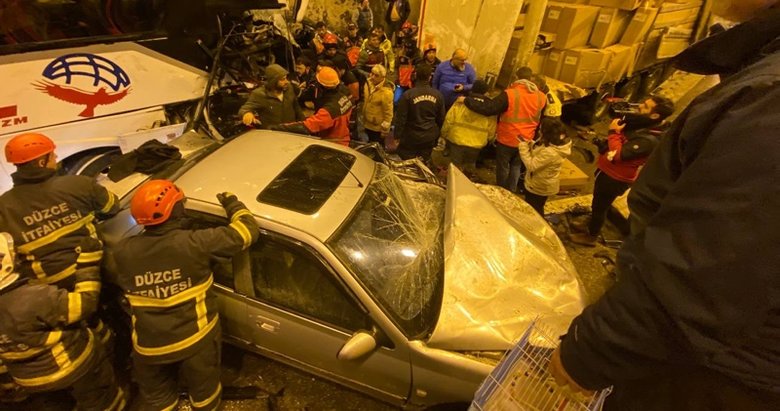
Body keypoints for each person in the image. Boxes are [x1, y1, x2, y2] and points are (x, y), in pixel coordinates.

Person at [549, 1, 780, 409]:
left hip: (709, 374)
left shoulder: (768, 96)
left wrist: (592, 349)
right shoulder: (759, 75)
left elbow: (710, 264)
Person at [109, 180, 259, 411]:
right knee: (204, 394)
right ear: (176, 210)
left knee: (158, 399)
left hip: (149, 346)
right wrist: (233, 203)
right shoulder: (196, 243)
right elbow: (247, 231)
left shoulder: (123, 251)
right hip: (195, 341)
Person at [0, 133, 124, 409]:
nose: (56, 159)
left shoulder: (4, 207)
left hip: (45, 297)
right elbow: (111, 206)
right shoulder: (79, 185)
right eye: (53, 155)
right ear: (43, 160)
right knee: (100, 340)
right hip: (94, 280)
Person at [569, 95, 674, 246]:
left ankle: (591, 235)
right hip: (609, 172)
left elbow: (617, 155)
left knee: (600, 206)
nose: (639, 107)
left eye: (645, 107)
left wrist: (613, 133)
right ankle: (591, 223)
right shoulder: (644, 124)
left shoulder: (648, 140)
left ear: (655, 115)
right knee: (597, 203)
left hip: (614, 178)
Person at [464, 67, 546, 193]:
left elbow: (489, 108)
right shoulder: (541, 97)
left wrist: (467, 101)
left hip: (508, 137)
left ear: (516, 77)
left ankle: (502, 190)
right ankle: (511, 191)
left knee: (503, 166)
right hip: (527, 139)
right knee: (516, 165)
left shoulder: (510, 93)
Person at [270, 67, 355, 146]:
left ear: (321, 86)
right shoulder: (344, 96)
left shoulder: (328, 111)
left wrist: (277, 127)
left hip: (333, 145)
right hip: (344, 138)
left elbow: (307, 127)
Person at [440, 79, 496, 179]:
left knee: (454, 168)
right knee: (469, 167)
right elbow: (491, 128)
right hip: (477, 143)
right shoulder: (490, 108)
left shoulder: (460, 103)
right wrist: (489, 139)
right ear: (485, 92)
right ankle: (465, 188)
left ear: (473, 90)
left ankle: (451, 187)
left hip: (457, 139)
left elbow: (449, 120)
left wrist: (444, 134)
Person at [517, 117, 571, 216]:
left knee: (535, 210)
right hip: (540, 183)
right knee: (535, 207)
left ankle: (537, 228)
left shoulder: (551, 152)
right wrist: (531, 144)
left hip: (539, 187)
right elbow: (541, 152)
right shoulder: (553, 142)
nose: (539, 131)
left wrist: (523, 149)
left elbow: (531, 165)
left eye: (541, 129)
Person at [393, 64, 446, 164]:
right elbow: (441, 118)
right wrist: (436, 135)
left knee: (407, 164)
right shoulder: (438, 95)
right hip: (429, 136)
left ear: (415, 76)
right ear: (430, 77)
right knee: (423, 163)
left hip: (410, 136)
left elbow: (401, 118)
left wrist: (397, 136)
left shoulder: (408, 95)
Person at [239, 64, 304, 128]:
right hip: (272, 134)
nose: (287, 81)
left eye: (286, 78)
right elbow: (244, 109)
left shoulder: (289, 88)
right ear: (273, 81)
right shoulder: (259, 94)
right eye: (282, 79)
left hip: (291, 132)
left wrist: (304, 124)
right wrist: (247, 114)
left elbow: (296, 107)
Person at [361, 64, 394, 144]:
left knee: (377, 146)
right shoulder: (368, 84)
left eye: (376, 75)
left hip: (377, 128)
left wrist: (384, 130)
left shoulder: (386, 92)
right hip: (367, 122)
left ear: (382, 78)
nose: (372, 77)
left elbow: (388, 113)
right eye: (372, 73)